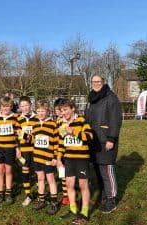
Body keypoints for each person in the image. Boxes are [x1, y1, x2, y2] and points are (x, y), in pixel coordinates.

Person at [84, 75, 122, 214]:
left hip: (105, 140)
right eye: (93, 81)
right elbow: (86, 118)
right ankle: (103, 194)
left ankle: (111, 199)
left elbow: (115, 119)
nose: (96, 83)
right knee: (98, 169)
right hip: (92, 140)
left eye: (98, 81)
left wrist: (111, 139)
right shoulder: (91, 99)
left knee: (107, 170)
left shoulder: (111, 98)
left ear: (103, 82)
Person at [58, 99, 93, 224]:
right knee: (69, 185)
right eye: (62, 110)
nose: (64, 113)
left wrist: (74, 132)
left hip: (81, 159)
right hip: (69, 159)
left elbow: (89, 136)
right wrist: (58, 159)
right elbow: (61, 144)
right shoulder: (62, 125)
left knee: (83, 185)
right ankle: (73, 210)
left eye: (66, 110)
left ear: (73, 109)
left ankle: (84, 212)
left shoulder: (82, 120)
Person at [30, 100, 59, 215]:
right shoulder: (35, 125)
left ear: (47, 111)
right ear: (36, 112)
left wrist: (55, 157)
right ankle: (41, 199)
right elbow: (33, 140)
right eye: (39, 111)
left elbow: (57, 142)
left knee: (51, 180)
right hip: (37, 157)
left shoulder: (53, 124)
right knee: (40, 178)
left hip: (48, 158)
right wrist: (24, 136)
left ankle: (54, 202)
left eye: (43, 111)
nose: (41, 113)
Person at [0, 96, 20, 205]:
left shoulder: (15, 117)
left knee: (8, 171)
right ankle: (0, 193)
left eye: (8, 107)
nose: (6, 109)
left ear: (11, 107)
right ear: (0, 107)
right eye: (4, 107)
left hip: (10, 148)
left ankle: (8, 193)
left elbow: (18, 134)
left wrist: (17, 147)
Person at [16, 96, 39, 206]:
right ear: (20, 107)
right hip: (24, 150)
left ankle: (41, 194)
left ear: (30, 104)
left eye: (27, 105)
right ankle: (28, 195)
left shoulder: (38, 117)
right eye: (22, 106)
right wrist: (17, 148)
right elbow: (15, 136)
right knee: (25, 170)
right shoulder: (18, 119)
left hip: (36, 149)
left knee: (38, 171)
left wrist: (24, 135)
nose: (25, 108)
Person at [54, 98, 70, 206]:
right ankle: (65, 195)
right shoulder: (55, 122)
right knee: (62, 175)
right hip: (57, 152)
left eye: (60, 110)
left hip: (67, 152)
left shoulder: (67, 122)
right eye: (56, 110)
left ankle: (70, 193)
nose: (58, 112)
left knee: (69, 175)